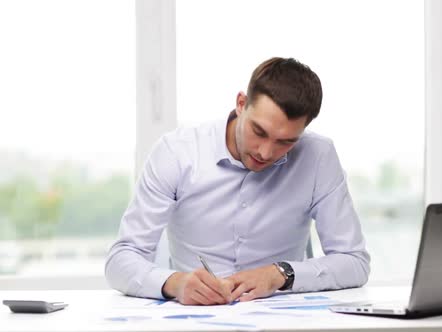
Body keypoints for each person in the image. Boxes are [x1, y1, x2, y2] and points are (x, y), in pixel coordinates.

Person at [105, 57, 370, 305]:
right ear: (241, 103)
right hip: (192, 318)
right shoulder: (177, 152)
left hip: (282, 321)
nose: (265, 152)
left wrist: (282, 274)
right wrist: (175, 283)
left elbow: (354, 262)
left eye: (286, 141)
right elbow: (120, 260)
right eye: (259, 131)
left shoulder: (318, 157)